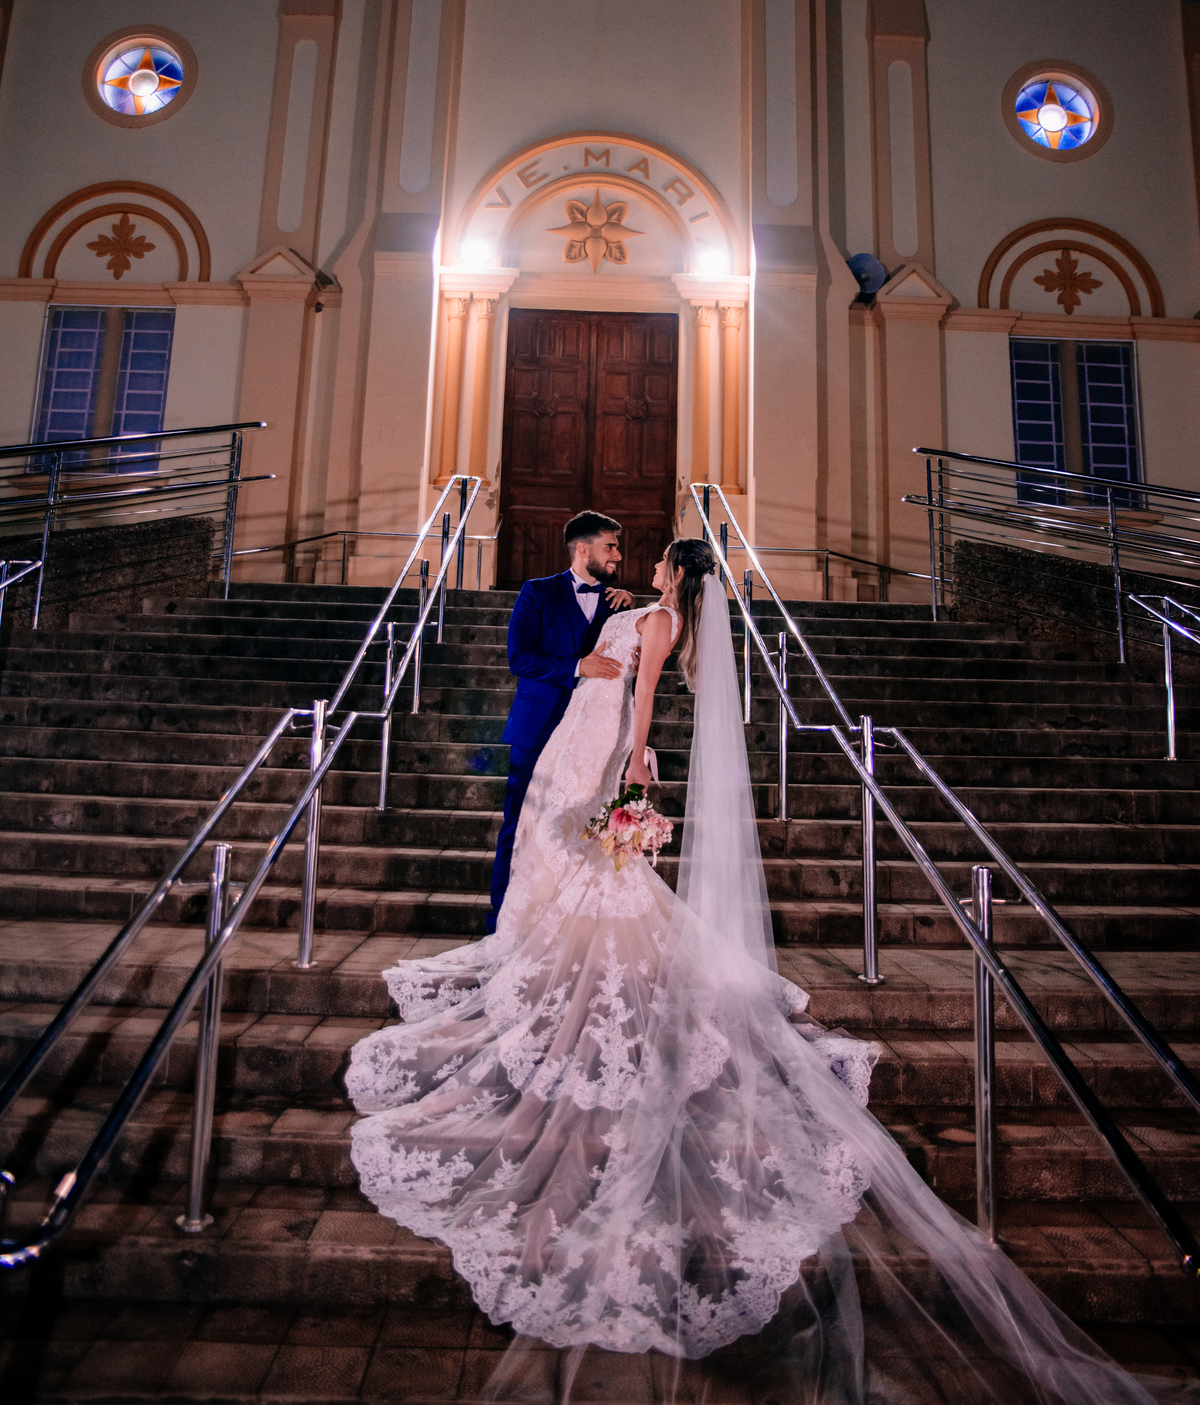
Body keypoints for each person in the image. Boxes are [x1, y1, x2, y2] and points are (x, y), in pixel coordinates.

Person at [346, 542, 1174, 1403]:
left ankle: (580, 966)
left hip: (603, 738)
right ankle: (558, 949)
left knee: (601, 876)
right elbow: (622, 643)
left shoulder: (660, 621)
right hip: (577, 731)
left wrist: (634, 761)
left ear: (677, 575)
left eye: (660, 562)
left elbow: (643, 692)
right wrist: (618, 633)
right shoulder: (650, 609)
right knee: (572, 864)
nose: (647, 565)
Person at [483, 510, 633, 933]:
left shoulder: (618, 603)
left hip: (591, 734)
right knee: (520, 823)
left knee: (579, 828)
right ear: (582, 549)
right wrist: (578, 666)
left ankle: (563, 929)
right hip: (538, 725)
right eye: (610, 546)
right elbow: (519, 658)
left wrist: (630, 622)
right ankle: (501, 924)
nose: (618, 555)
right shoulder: (537, 592)